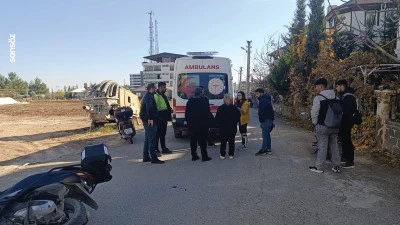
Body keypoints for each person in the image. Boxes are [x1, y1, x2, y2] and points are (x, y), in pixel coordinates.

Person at [309, 78, 341, 173]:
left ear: (321, 87)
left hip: (322, 125)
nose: (316, 89)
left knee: (322, 146)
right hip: (335, 126)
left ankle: (319, 167)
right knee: (334, 145)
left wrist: (315, 122)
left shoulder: (318, 98)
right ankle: (337, 166)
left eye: (317, 87)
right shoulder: (336, 98)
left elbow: (314, 112)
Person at [185, 87, 213, 162]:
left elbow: (187, 114)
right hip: (202, 125)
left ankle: (194, 156)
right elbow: (207, 113)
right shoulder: (204, 100)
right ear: (201, 93)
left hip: (192, 125)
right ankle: (204, 156)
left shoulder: (189, 101)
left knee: (193, 141)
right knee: (203, 141)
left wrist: (189, 123)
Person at [140, 83, 164, 164]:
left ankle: (146, 157)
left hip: (147, 119)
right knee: (152, 140)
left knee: (147, 139)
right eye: (155, 88)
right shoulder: (149, 97)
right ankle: (154, 158)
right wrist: (151, 118)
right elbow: (149, 109)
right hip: (149, 120)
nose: (156, 89)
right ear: (151, 88)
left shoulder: (148, 96)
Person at [336, 79, 357, 168]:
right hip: (344, 121)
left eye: (337, 86)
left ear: (341, 86)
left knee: (347, 139)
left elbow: (346, 110)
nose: (336, 88)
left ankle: (350, 160)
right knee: (343, 139)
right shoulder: (344, 95)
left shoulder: (348, 96)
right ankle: (345, 157)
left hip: (347, 121)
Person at [216, 94, 241, 159]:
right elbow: (238, 117)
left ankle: (222, 155)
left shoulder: (220, 108)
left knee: (223, 142)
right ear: (230, 100)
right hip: (232, 128)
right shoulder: (234, 108)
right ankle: (231, 154)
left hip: (223, 128)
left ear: (224, 99)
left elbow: (217, 118)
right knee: (231, 142)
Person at [254, 88, 275, 156]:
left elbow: (262, 112)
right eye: (255, 94)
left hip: (266, 120)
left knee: (265, 135)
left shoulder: (263, 101)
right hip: (269, 120)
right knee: (267, 135)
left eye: (257, 94)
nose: (256, 95)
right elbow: (271, 111)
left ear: (261, 93)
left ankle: (263, 151)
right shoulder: (266, 99)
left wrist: (262, 121)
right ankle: (268, 149)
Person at [154, 82, 173, 155]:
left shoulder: (163, 96)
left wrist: (169, 109)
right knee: (157, 135)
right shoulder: (156, 96)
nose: (165, 89)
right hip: (159, 118)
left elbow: (166, 105)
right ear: (160, 87)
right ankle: (156, 149)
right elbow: (155, 108)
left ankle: (164, 148)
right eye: (164, 87)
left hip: (164, 118)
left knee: (163, 134)